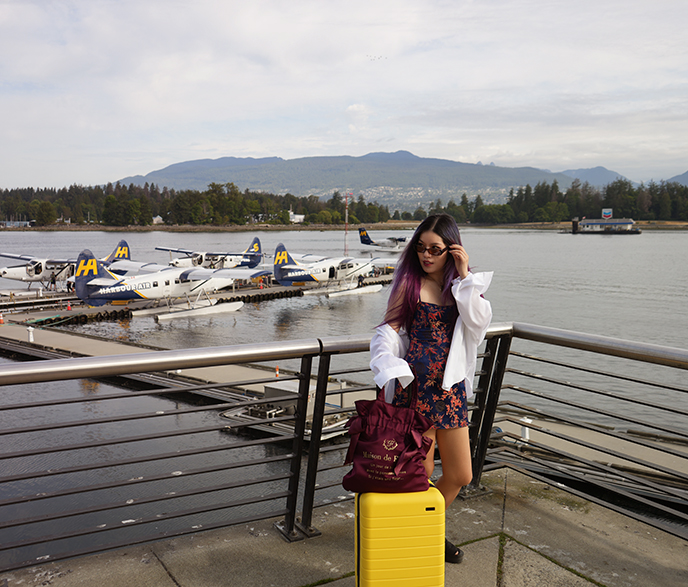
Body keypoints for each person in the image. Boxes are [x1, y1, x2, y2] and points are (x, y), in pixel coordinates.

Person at [369, 213, 493, 564]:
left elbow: (480, 322)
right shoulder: (410, 285)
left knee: (460, 474)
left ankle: (423, 527)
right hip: (416, 389)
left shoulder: (463, 288)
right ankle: (426, 534)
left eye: (435, 249)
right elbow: (387, 330)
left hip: (450, 389)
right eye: (421, 248)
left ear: (451, 250)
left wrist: (466, 274)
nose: (426, 256)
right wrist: (388, 365)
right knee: (418, 476)